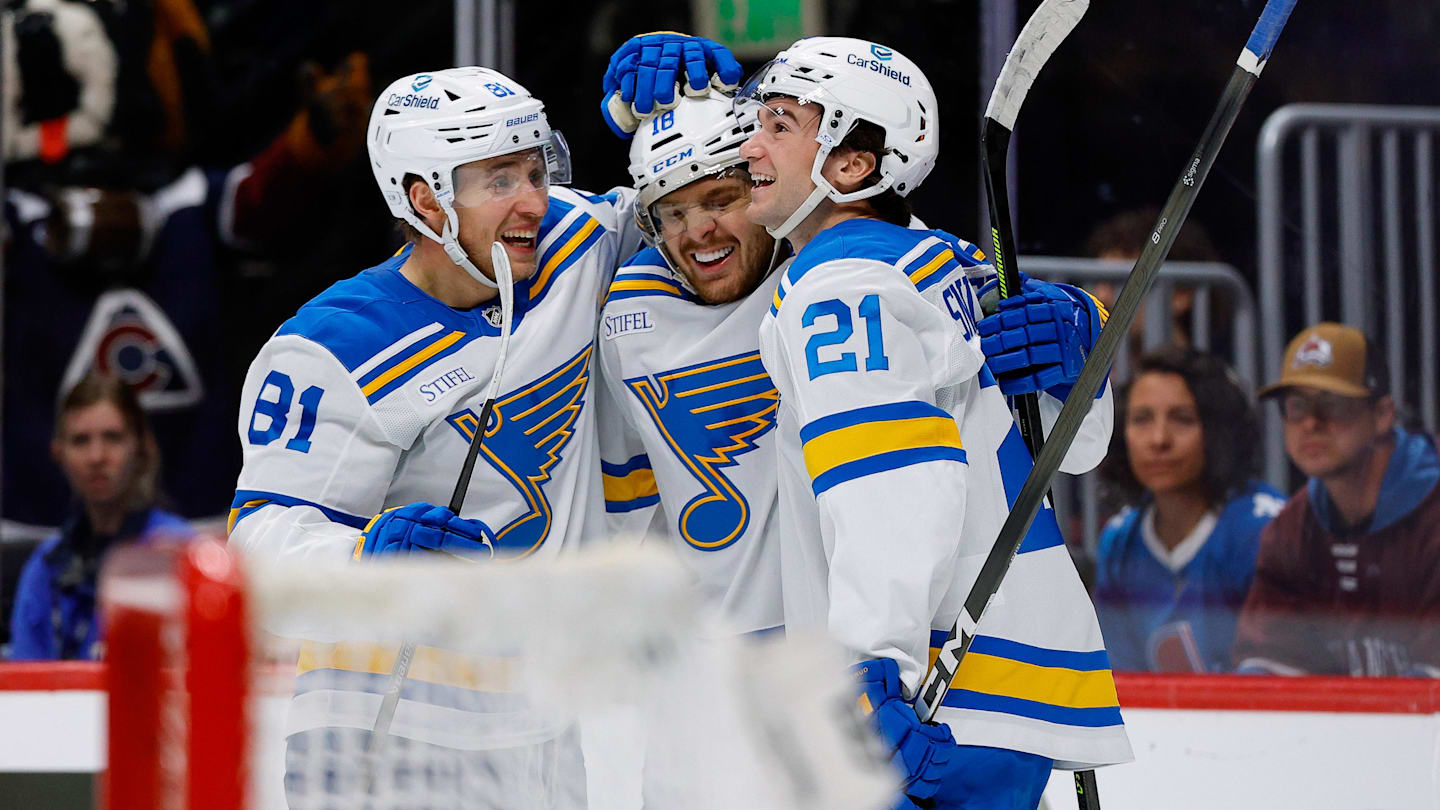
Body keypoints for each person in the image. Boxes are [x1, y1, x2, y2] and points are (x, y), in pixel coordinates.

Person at [734, 37, 1131, 808]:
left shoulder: (838, 288)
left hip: (922, 705)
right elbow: (1073, 448)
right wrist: (1083, 360)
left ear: (850, 165)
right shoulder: (946, 264)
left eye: (780, 125)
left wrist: (865, 674)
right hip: (1009, 691)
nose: (751, 145)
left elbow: (892, 479)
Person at [595, 88, 788, 635]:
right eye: (673, 213)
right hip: (710, 657)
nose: (697, 231)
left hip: (847, 646)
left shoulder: (836, 266)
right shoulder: (628, 310)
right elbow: (629, 501)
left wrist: (1045, 310)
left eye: (720, 200)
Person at [1233, 323, 1440, 677]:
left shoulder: (1432, 515)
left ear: (1383, 415)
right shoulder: (1291, 529)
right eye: (1296, 405)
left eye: (1333, 403)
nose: (1311, 422)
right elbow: (1264, 669)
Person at [1094, 347, 1285, 672]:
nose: (1159, 439)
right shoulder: (1119, 541)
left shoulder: (1265, 531)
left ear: (1216, 432)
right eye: (1141, 419)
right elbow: (1120, 682)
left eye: (1182, 419)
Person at [8, 373, 187, 660]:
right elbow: (25, 683)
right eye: (80, 441)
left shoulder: (179, 552)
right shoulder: (45, 565)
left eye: (112, 438)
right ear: (59, 453)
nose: (96, 456)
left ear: (142, 447)